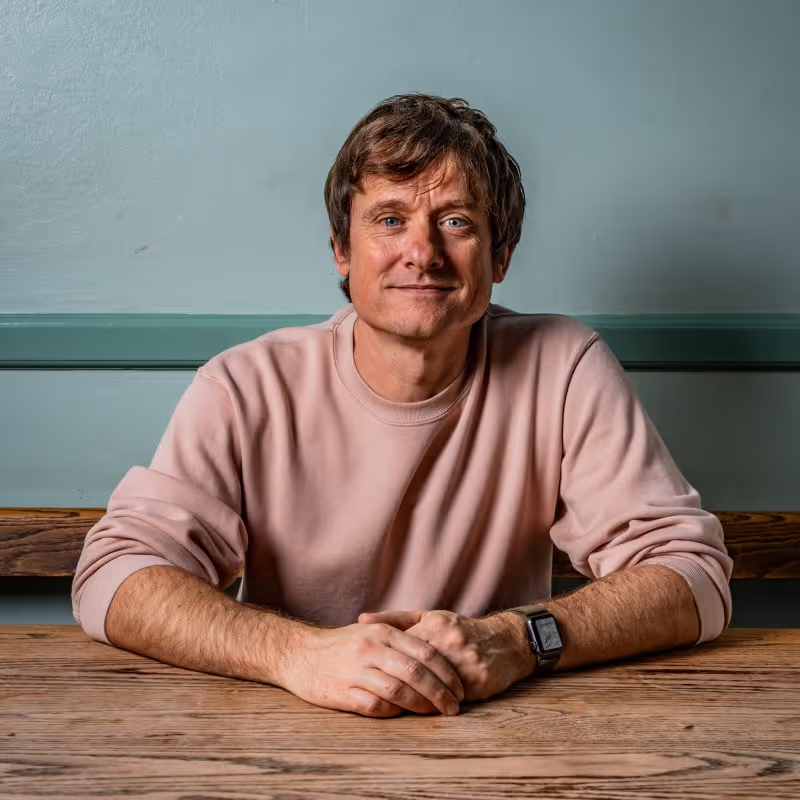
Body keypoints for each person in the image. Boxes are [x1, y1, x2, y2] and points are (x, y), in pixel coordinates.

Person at [72, 94, 732, 719]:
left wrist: (518, 639)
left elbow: (692, 576)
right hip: (285, 728)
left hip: (501, 728)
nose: (422, 253)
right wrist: (296, 655)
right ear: (342, 249)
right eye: (389, 220)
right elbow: (114, 575)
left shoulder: (563, 366)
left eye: (455, 222)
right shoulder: (245, 386)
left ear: (500, 255)